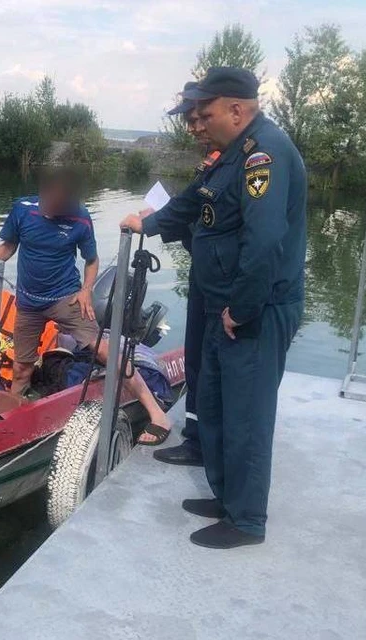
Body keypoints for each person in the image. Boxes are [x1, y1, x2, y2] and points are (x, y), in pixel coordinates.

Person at [121, 67, 307, 549]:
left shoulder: (264, 155)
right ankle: (225, 498)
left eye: (205, 114)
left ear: (236, 110)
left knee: (246, 414)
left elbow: (264, 242)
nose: (197, 123)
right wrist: (150, 224)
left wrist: (240, 310)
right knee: (222, 407)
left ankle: (246, 521)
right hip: (225, 304)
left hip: (253, 311)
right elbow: (192, 206)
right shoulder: (231, 157)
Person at [0, 169, 172, 444]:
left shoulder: (81, 218)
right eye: (48, 200)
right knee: (22, 369)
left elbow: (92, 260)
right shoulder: (22, 210)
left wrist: (86, 290)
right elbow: (9, 246)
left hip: (66, 300)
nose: (51, 208)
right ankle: (9, 431)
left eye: (59, 205)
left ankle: (156, 412)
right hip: (29, 304)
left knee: (106, 351)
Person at [147, 81, 221, 468]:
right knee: (195, 359)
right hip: (202, 275)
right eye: (190, 120)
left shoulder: (234, 163)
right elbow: (191, 214)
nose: (193, 127)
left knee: (210, 364)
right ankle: (195, 439)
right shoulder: (211, 162)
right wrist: (158, 220)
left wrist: (159, 221)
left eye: (199, 118)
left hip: (219, 284)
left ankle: (205, 444)